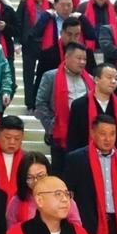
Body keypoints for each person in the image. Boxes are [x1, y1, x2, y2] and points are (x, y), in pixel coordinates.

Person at [34, 40, 90, 172]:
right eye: (78, 58)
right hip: (60, 133)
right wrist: (51, 126)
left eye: (84, 59)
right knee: (60, 172)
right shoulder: (51, 76)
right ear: (67, 57)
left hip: (84, 134)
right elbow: (41, 103)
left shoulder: (90, 80)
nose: (82, 62)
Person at [66, 63, 117, 155]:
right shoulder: (79, 105)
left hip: (116, 158)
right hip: (86, 157)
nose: (113, 81)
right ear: (96, 80)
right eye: (109, 77)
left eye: (116, 78)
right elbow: (73, 138)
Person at [7, 152, 83, 227]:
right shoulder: (17, 201)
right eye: (29, 177)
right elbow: (11, 229)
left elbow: (76, 227)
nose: (36, 181)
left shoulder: (63, 197)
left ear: (48, 174)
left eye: (40, 176)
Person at [16, 0, 52, 105]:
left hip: (45, 44)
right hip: (29, 42)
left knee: (42, 74)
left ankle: (40, 101)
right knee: (28, 74)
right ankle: (29, 103)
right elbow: (18, 23)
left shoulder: (50, 5)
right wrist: (17, 42)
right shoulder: (24, 4)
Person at [0, 113, 28, 197]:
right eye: (7, 137)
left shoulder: (27, 159)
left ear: (22, 137)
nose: (12, 142)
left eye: (17, 138)